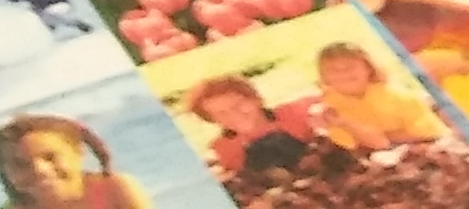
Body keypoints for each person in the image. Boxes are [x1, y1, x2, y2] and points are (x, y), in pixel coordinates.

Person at [0, 115, 152, 209]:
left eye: (50, 157)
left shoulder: (115, 188)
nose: (40, 169)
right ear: (4, 172)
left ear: (79, 152)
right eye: (20, 164)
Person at [185, 75, 320, 187]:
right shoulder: (225, 147)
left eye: (238, 104)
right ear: (212, 120)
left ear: (256, 99)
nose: (234, 114)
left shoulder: (295, 112)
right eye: (221, 113)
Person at [308, 41, 443, 152]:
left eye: (350, 67)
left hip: (421, 145)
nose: (342, 73)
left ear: (368, 68)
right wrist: (345, 124)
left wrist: (388, 137)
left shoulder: (396, 95)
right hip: (368, 154)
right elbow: (358, 144)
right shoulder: (330, 106)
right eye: (333, 70)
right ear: (324, 76)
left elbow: (431, 133)